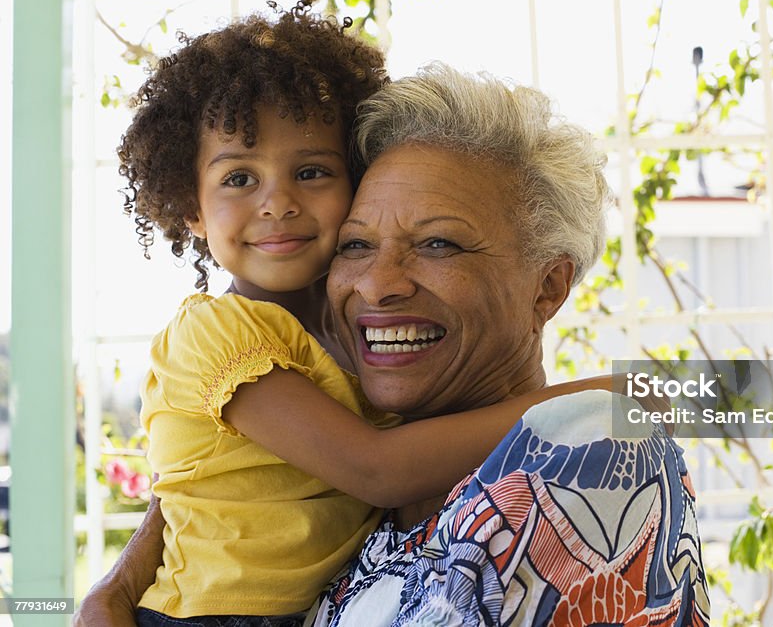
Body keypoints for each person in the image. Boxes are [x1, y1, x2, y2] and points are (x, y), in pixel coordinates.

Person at [78, 64, 709, 626]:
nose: (378, 286)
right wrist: (119, 584)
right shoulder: (349, 421)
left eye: (439, 244)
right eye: (358, 245)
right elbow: (228, 485)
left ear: (548, 286)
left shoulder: (588, 450)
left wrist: (614, 398)